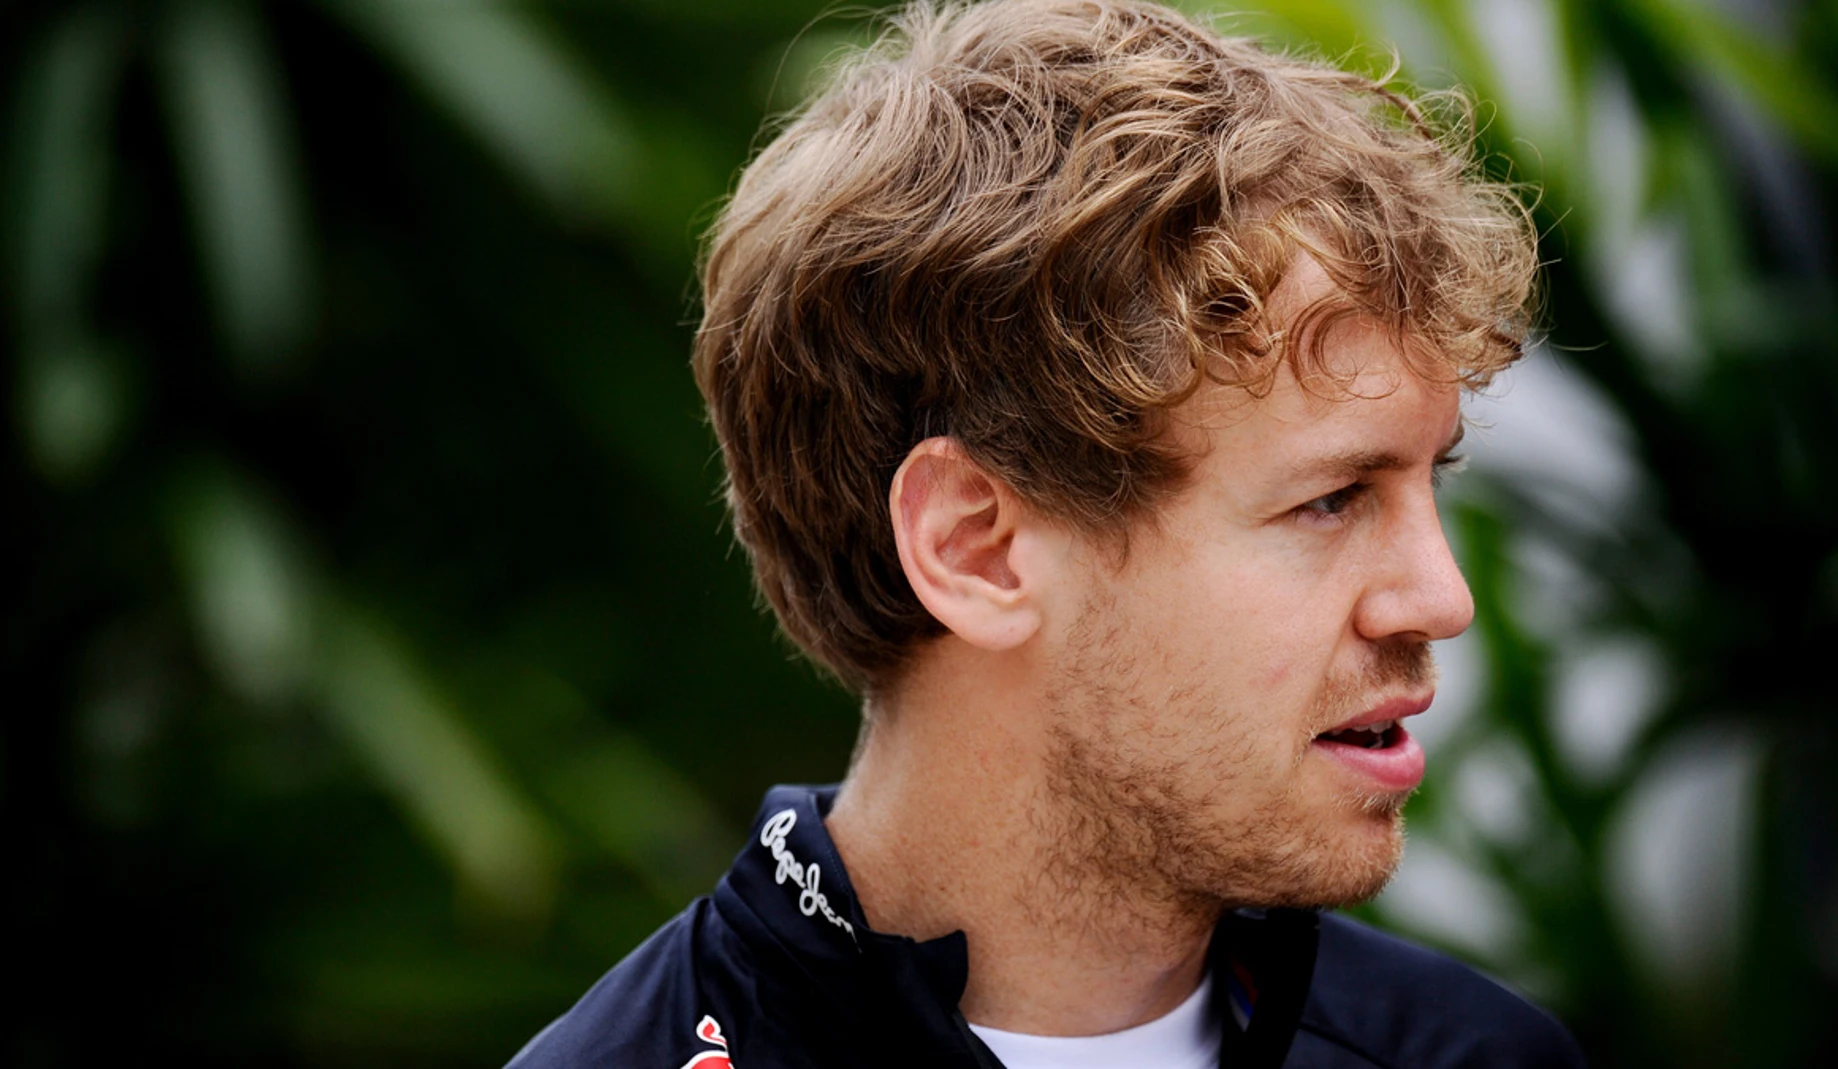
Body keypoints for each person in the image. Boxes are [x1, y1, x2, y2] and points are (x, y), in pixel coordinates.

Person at [509, 0, 1585, 1065]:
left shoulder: (1477, 1057)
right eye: (1333, 498)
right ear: (974, 546)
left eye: (1427, 476)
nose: (1441, 596)